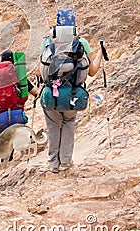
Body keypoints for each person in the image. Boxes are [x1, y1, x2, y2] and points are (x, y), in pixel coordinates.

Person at [37, 25, 103, 174]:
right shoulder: (82, 43)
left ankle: (53, 164)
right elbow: (92, 71)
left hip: (51, 95)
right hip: (73, 95)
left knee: (53, 127)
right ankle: (65, 161)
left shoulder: (47, 42)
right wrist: (100, 52)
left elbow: (39, 71)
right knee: (68, 123)